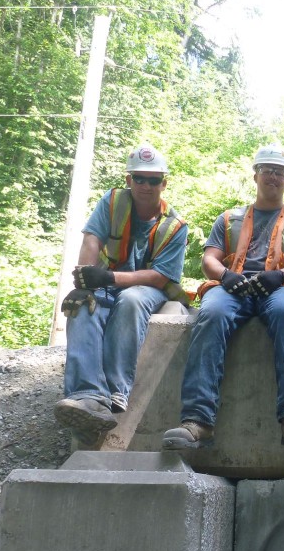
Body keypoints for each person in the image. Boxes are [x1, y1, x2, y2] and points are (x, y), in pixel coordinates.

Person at [162, 143, 284, 449]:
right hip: (233, 288)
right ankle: (196, 420)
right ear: (255, 176)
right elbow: (210, 258)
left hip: (281, 289)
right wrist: (226, 276)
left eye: (279, 172)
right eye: (267, 170)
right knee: (211, 314)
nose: (273, 176)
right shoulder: (228, 218)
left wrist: (282, 275)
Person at [54, 143, 189, 446]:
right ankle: (88, 397)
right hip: (107, 281)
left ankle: (115, 392)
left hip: (149, 290)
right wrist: (84, 282)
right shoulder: (112, 202)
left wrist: (110, 277)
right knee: (84, 306)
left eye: (153, 180)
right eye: (139, 178)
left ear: (163, 184)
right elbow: (92, 239)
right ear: (129, 180)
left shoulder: (175, 226)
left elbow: (160, 276)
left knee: (131, 300)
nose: (145, 185)